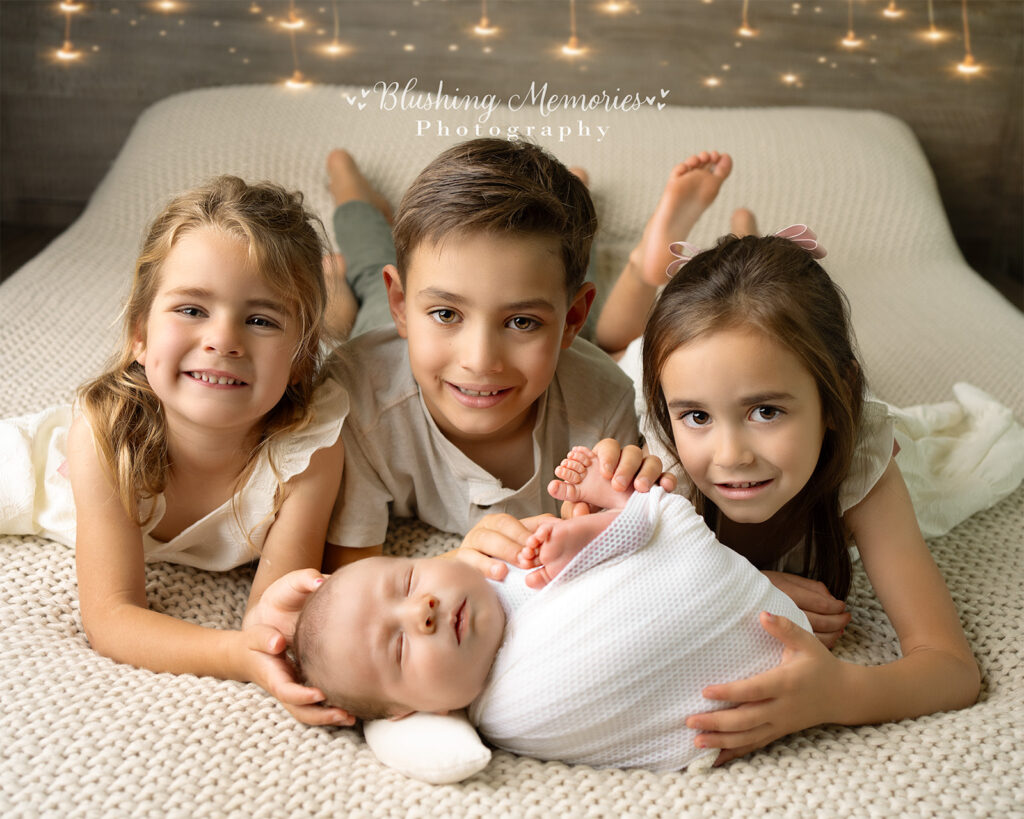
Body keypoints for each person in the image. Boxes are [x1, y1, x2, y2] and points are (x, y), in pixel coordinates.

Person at [569, 180, 980, 763]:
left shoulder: (860, 460)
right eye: (697, 417)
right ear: (668, 412)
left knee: (754, 326)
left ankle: (743, 233)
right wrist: (748, 584)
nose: (731, 454)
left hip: (769, 371)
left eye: (766, 411)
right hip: (649, 363)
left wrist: (841, 693)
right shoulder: (664, 457)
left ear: (839, 394)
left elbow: (952, 668)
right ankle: (653, 260)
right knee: (613, 343)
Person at [0, 176, 350, 727]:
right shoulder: (101, 434)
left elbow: (272, 612)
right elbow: (112, 617)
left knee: (353, 329)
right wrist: (236, 655)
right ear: (139, 334)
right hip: (42, 468)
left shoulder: (308, 453)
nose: (223, 339)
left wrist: (267, 640)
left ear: (302, 360)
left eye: (261, 320)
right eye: (191, 309)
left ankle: (344, 263)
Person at [283, 444, 811, 772]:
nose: (421, 613)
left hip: (734, 588)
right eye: (398, 647)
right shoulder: (517, 711)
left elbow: (641, 547)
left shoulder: (509, 562)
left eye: (407, 580)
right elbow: (617, 678)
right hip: (769, 657)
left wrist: (582, 533)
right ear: (410, 709)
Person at [319, 139, 667, 575]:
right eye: (446, 313)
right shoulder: (357, 404)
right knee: (369, 271)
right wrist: (456, 564)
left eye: (522, 322)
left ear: (572, 318)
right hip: (379, 333)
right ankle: (351, 190)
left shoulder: (603, 405)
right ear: (403, 304)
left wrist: (624, 502)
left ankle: (577, 192)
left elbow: (613, 551)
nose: (481, 361)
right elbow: (349, 574)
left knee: (559, 259)